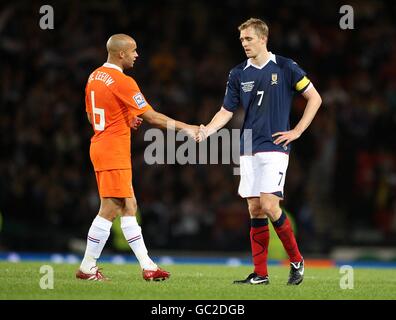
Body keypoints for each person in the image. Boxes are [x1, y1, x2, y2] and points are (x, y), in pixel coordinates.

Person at [198, 18, 322, 285]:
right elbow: (226, 111)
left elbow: (315, 98)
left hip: (275, 146)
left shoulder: (286, 66)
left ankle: (297, 261)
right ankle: (260, 274)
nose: (244, 44)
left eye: (249, 39)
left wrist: (297, 131)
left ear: (263, 38)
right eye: (242, 40)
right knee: (255, 209)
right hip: (248, 147)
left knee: (268, 204)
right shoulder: (238, 73)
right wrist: (208, 130)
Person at [76, 34, 198, 281]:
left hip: (102, 145)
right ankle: (88, 267)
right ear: (121, 53)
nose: (137, 55)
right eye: (133, 50)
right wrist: (187, 127)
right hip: (113, 150)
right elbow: (153, 117)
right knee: (110, 208)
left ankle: (148, 266)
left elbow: (92, 117)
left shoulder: (94, 76)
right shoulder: (123, 81)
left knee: (129, 206)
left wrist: (124, 119)